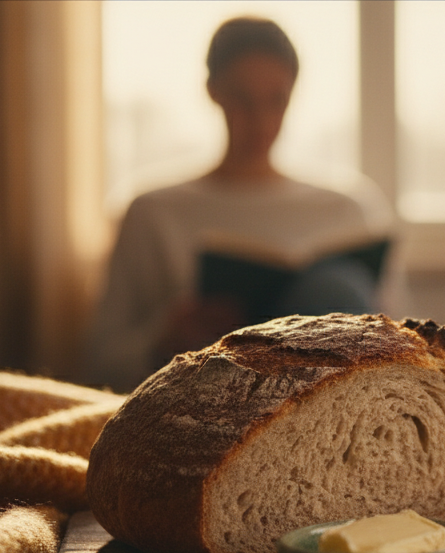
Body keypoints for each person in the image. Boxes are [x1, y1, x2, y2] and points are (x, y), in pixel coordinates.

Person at [86, 17, 395, 392]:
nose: (261, 120)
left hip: (326, 406)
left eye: (276, 101)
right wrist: (165, 339)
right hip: (208, 399)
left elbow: (400, 342)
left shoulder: (349, 209)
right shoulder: (153, 212)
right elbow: (99, 363)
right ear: (213, 91)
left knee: (335, 289)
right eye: (242, 100)